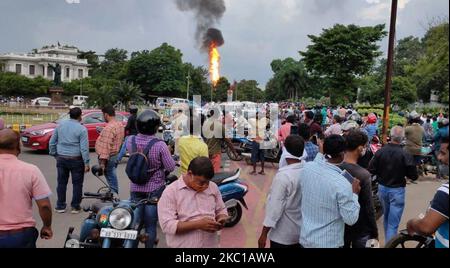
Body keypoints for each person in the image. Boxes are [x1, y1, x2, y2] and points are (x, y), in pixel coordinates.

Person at [298, 134, 361, 248]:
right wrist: (354, 194)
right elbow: (351, 219)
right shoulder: (342, 184)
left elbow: (318, 161)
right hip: (328, 243)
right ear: (342, 154)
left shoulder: (308, 168)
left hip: (306, 239)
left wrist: (321, 152)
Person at [126, 110, 176, 248]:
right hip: (154, 191)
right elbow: (171, 167)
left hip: (135, 188)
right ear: (155, 127)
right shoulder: (160, 145)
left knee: (134, 224)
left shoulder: (130, 140)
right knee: (150, 226)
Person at [158, 157, 229, 248]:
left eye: (208, 182)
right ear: (190, 174)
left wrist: (221, 218)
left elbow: (221, 209)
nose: (205, 186)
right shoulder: (171, 192)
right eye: (201, 182)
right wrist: (198, 224)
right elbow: (167, 225)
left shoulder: (213, 187)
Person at [0, 129, 53, 248]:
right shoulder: (31, 170)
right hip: (21, 236)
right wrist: (47, 226)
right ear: (18, 146)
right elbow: (44, 205)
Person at [368, 126, 418, 243]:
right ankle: (390, 244)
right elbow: (414, 175)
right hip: (397, 190)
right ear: (402, 138)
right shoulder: (405, 154)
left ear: (390, 136)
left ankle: (388, 243)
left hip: (382, 188)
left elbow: (371, 168)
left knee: (386, 217)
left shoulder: (381, 151)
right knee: (393, 223)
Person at [259, 135, 304, 248]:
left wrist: (263, 234)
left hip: (282, 235)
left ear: (285, 150)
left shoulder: (283, 177)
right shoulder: (307, 170)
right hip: (301, 232)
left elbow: (275, 209)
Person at [406, 137, 449, 248]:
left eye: (443, 153)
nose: (439, 157)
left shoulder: (446, 192)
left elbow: (426, 227)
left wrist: (412, 223)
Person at [340, 130, 378, 248]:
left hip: (340, 224)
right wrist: (374, 231)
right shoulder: (363, 174)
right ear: (360, 148)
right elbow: (368, 206)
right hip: (360, 227)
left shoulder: (336, 168)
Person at [49, 107, 90, 214]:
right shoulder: (82, 129)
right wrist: (86, 162)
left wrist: (54, 154)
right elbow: (84, 148)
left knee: (61, 183)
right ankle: (75, 207)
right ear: (80, 116)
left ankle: (60, 206)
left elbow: (52, 142)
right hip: (76, 159)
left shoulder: (60, 126)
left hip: (61, 158)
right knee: (77, 184)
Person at [95, 106, 125, 194]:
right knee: (112, 174)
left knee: (111, 177)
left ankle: (114, 196)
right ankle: (114, 193)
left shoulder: (109, 128)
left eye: (102, 115)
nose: (102, 117)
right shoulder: (119, 124)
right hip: (115, 154)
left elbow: (106, 147)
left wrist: (102, 163)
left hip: (109, 157)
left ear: (106, 115)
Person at [248, 111, 267, 175]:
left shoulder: (254, 122)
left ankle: (254, 171)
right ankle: (262, 170)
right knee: (262, 157)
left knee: (254, 156)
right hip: (262, 141)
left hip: (256, 141)